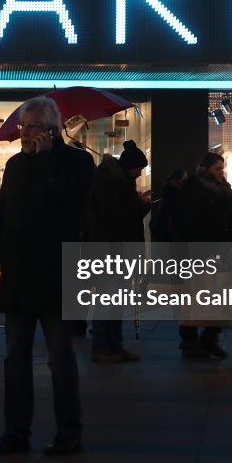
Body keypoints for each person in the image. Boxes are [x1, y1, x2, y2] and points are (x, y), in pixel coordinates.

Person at [0, 96, 95, 456]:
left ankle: (68, 432)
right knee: (15, 358)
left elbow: (73, 202)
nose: (22, 133)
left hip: (57, 275)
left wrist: (45, 162)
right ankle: (16, 431)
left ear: (50, 131)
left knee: (60, 358)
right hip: (19, 276)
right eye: (22, 126)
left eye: (29, 127)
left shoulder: (77, 162)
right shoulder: (15, 167)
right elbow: (1, 218)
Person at [83, 140, 150, 363]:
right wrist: (139, 205)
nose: (139, 174)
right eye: (138, 169)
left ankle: (113, 344)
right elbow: (113, 214)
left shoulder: (118, 181)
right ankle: (103, 346)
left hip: (116, 249)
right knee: (108, 300)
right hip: (110, 250)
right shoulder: (110, 182)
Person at [178, 152, 232, 360]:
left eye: (222, 168)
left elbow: (230, 217)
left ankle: (209, 337)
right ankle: (192, 342)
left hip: (217, 248)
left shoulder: (221, 189)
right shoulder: (193, 189)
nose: (221, 173)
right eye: (217, 169)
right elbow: (190, 221)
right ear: (206, 169)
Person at [150, 169, 187, 242]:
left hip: (167, 229)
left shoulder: (168, 191)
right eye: (184, 180)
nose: (185, 182)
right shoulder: (174, 194)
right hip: (171, 229)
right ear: (177, 180)